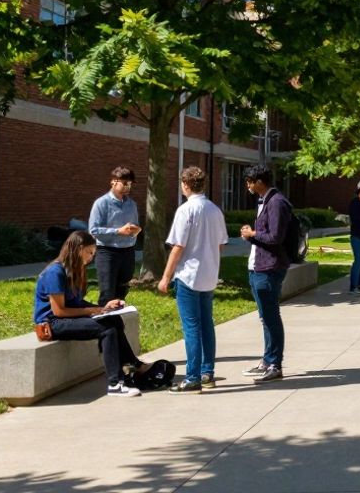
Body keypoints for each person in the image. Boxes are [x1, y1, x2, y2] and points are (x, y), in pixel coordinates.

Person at [33, 230, 147, 397]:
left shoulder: (75, 271)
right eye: (89, 252)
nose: (92, 257)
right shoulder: (55, 272)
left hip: (64, 319)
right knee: (107, 329)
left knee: (114, 320)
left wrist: (105, 308)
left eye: (94, 253)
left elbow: (77, 303)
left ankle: (132, 365)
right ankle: (115, 384)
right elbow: (59, 311)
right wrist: (96, 310)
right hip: (51, 324)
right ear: (78, 249)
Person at [158, 166, 228, 393]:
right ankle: (208, 373)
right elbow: (220, 244)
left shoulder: (186, 210)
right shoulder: (215, 210)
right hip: (209, 275)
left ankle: (192, 377)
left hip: (188, 275)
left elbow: (178, 246)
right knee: (207, 324)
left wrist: (165, 277)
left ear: (186, 184)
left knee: (191, 327)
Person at [238, 165, 295, 383]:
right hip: (259, 265)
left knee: (271, 317)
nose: (248, 186)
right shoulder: (265, 201)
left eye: (249, 182)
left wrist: (253, 233)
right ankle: (267, 359)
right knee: (265, 317)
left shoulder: (277, 202)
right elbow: (266, 235)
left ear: (259, 181)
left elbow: (275, 237)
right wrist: (251, 236)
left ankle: (274, 364)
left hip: (270, 267)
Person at [87, 166, 142, 304]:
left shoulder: (132, 204)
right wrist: (118, 231)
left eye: (130, 184)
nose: (128, 187)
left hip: (128, 252)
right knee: (107, 293)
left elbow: (133, 226)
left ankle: (118, 322)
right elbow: (93, 230)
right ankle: (104, 323)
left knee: (122, 292)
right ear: (113, 182)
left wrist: (136, 231)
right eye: (124, 183)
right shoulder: (101, 203)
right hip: (108, 252)